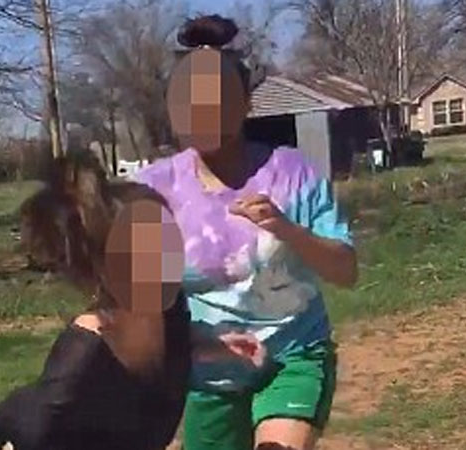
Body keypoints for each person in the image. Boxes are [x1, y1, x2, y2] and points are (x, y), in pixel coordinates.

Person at [135, 15, 358, 450]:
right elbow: (134, 303)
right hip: (207, 375)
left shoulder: (292, 173)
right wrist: (195, 343)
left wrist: (287, 230)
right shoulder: (151, 191)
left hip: (293, 357)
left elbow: (346, 271)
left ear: (245, 104)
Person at [0, 153, 192, 450]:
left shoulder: (171, 314)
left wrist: (215, 348)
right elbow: (30, 432)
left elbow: (178, 358)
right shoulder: (82, 359)